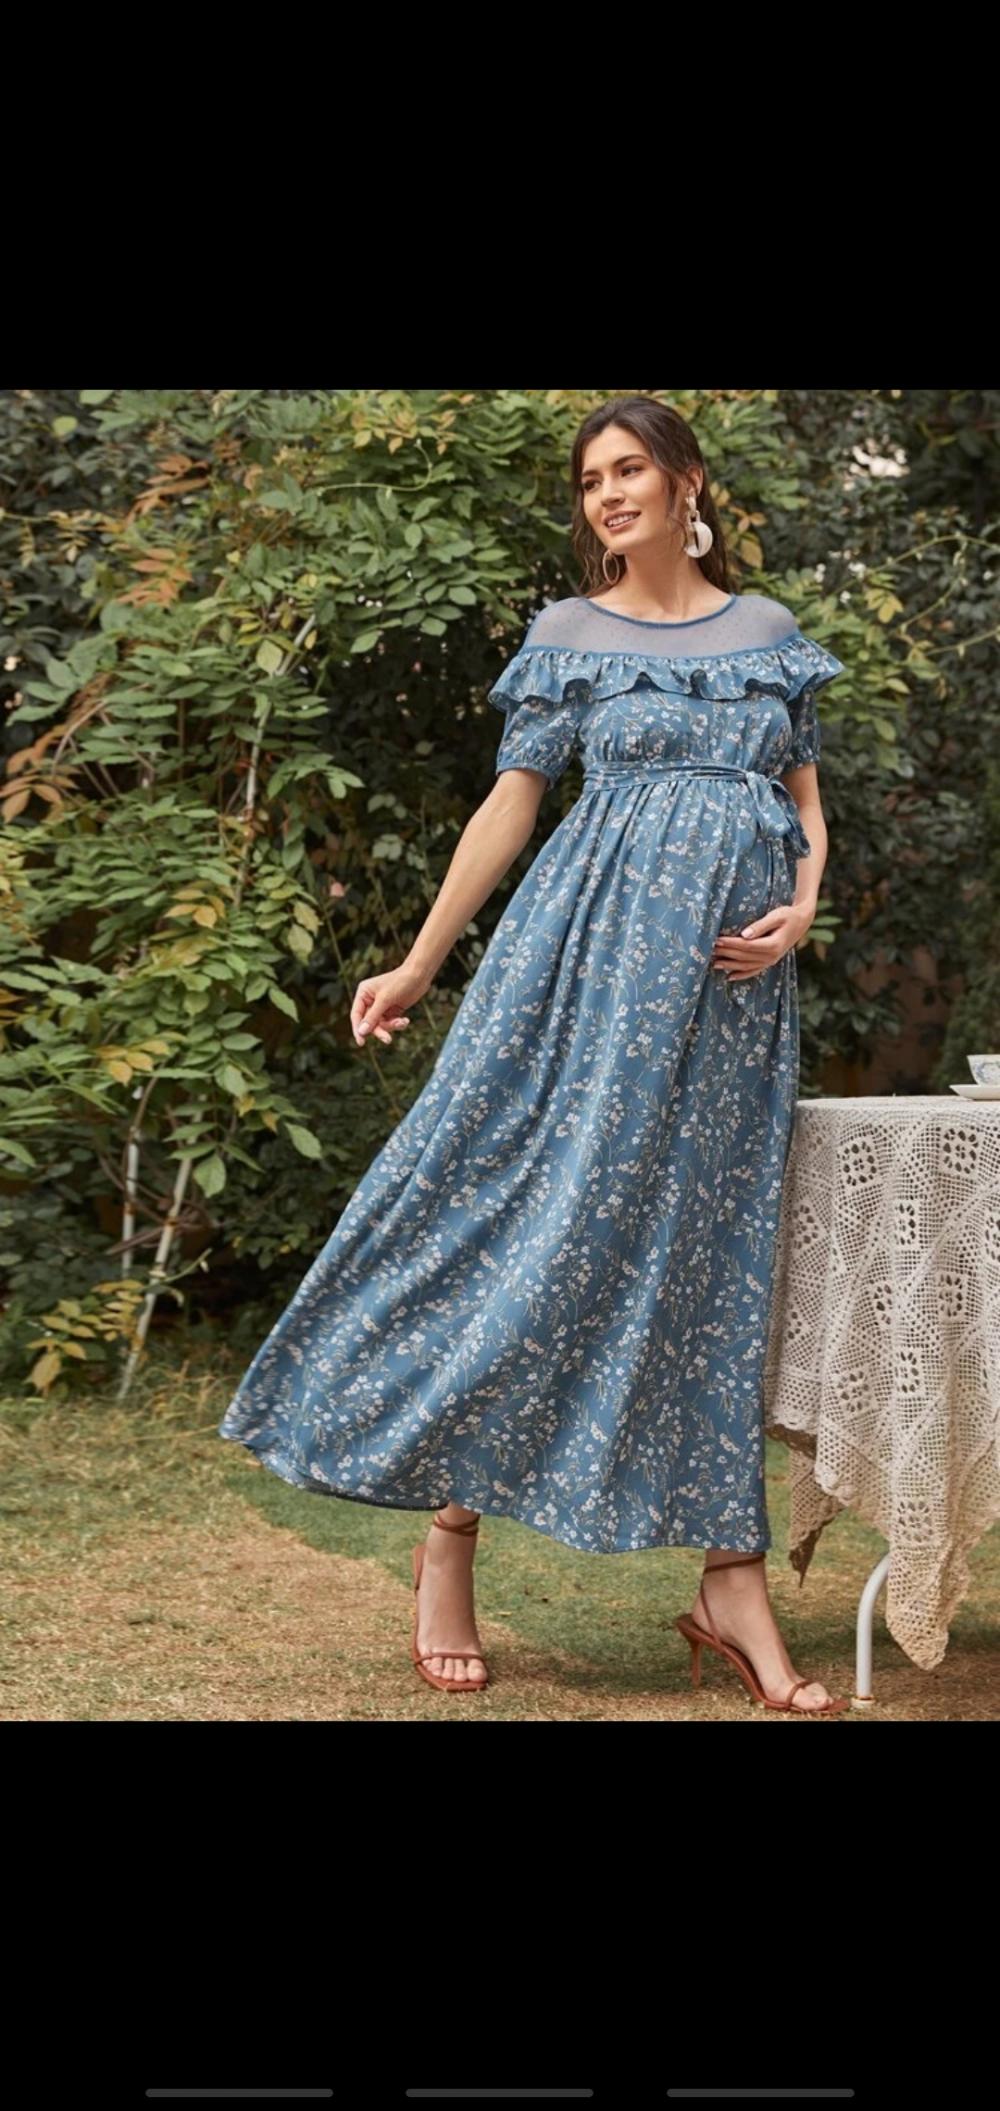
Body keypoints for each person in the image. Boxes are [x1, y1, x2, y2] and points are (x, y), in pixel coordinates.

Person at [219, 393, 849, 1714]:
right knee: (540, 1227)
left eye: (629, 470)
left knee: (710, 1256)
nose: (607, 494)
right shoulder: (570, 635)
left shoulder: (769, 633)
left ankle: (731, 1585)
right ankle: (448, 1540)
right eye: (590, 480)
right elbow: (511, 807)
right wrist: (419, 960)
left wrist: (801, 906)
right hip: (586, 978)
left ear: (686, 482)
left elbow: (803, 797)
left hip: (733, 1004)